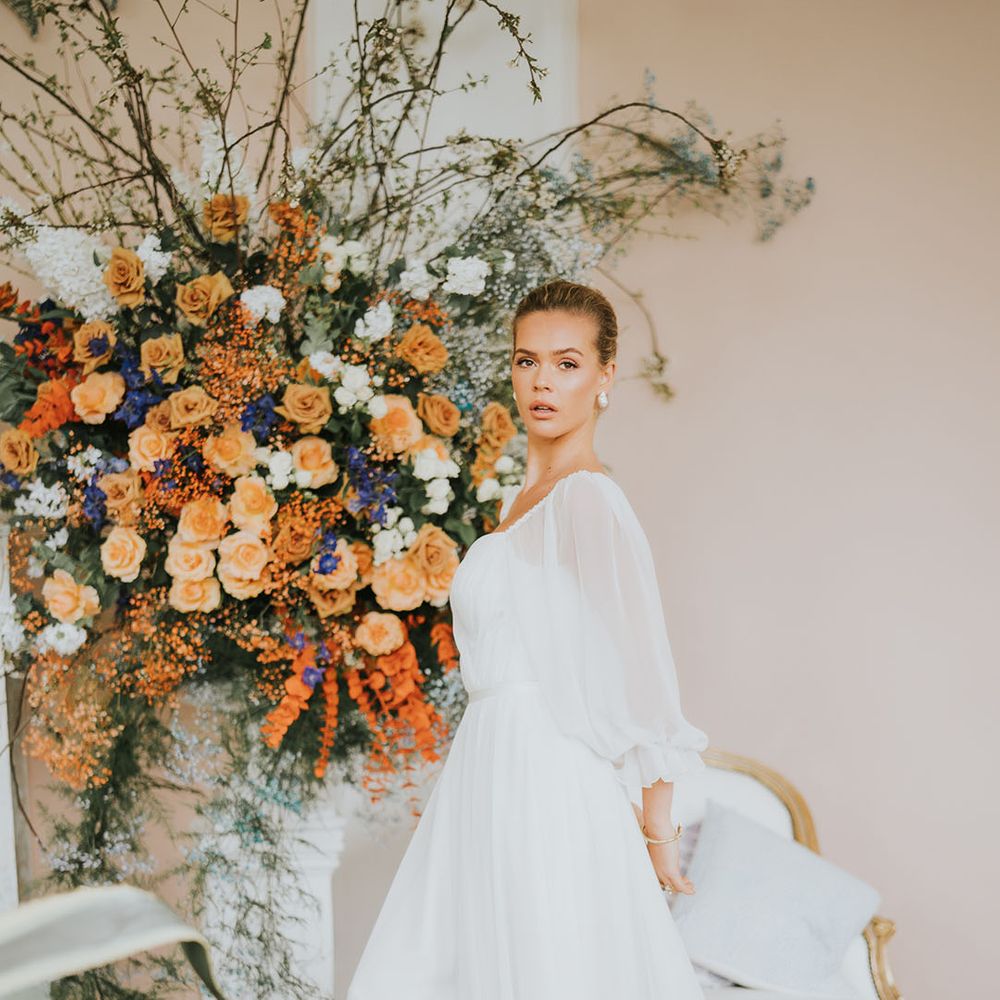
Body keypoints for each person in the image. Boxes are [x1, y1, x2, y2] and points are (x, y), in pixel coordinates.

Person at [346, 279, 710, 999]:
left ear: (606, 376)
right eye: (526, 361)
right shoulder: (527, 501)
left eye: (567, 363)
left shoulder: (588, 499)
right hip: (488, 767)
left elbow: (645, 672)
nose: (542, 381)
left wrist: (657, 829)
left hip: (542, 776)